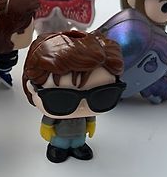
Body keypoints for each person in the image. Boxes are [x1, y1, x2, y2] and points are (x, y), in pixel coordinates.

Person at [22, 30, 125, 163]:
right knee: (60, 143)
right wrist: (46, 128)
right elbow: (48, 121)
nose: (82, 106)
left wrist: (91, 124)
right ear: (32, 88)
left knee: (78, 142)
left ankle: (78, 147)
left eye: (101, 96)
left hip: (79, 134)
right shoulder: (55, 115)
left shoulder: (87, 113)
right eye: (61, 99)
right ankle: (58, 148)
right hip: (60, 136)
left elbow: (90, 118)